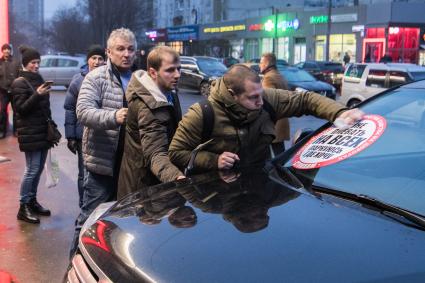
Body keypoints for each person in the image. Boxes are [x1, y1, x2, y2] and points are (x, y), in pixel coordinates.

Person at [169, 64, 364, 173]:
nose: (261, 102)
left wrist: (340, 112)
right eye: (253, 98)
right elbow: (176, 152)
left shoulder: (266, 98)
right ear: (232, 94)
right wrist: (213, 160)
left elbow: (306, 100)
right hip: (218, 191)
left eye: (261, 94)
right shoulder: (202, 113)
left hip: (259, 183)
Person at [71, 28, 136, 258]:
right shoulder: (95, 77)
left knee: (118, 224)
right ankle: (75, 267)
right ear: (109, 51)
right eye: (120, 49)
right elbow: (83, 112)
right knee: (89, 219)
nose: (126, 54)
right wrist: (114, 117)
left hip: (128, 167)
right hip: (101, 163)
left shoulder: (139, 79)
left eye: (130, 49)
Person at [117, 46, 185, 199]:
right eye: (170, 70)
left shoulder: (169, 93)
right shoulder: (148, 107)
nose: (177, 75)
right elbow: (155, 153)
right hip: (142, 190)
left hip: (153, 184)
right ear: (153, 73)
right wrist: (176, 177)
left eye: (179, 69)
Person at [11, 45, 53, 224]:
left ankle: (32, 201)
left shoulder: (38, 78)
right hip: (30, 132)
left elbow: (42, 107)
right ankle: (23, 206)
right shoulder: (19, 82)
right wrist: (37, 94)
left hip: (42, 131)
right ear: (25, 63)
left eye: (38, 62)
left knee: (37, 170)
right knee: (31, 170)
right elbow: (20, 109)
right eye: (33, 63)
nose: (36, 66)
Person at [63, 44, 105, 208]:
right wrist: (71, 136)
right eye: (93, 58)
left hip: (103, 135)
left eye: (100, 58)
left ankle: (99, 206)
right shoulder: (78, 80)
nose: (97, 61)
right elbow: (70, 108)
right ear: (88, 60)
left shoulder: (108, 79)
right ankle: (84, 206)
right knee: (84, 173)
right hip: (82, 135)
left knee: (100, 173)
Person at [259, 52, 290, 156]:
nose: (259, 65)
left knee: (265, 158)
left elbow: (267, 101)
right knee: (280, 155)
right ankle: (281, 172)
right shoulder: (280, 76)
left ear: (267, 63)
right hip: (282, 122)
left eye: (261, 62)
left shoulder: (268, 78)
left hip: (272, 124)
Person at [0, 43, 20, 138]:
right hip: (3, 91)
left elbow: (20, 76)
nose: (6, 51)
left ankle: (16, 131)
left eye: (8, 49)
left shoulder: (16, 62)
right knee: (2, 111)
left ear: (10, 51)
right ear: (2, 51)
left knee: (16, 111)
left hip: (14, 91)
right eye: (4, 49)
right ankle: (2, 131)